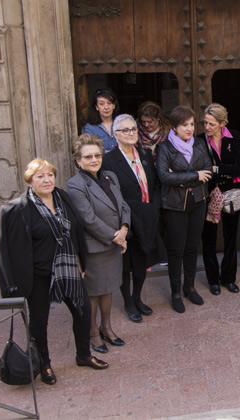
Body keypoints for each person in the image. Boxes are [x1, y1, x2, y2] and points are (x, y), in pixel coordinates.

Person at [0, 159, 109, 385]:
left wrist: (79, 263)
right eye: (40, 176)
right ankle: (45, 364)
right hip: (39, 275)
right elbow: (9, 250)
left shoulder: (62, 198)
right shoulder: (18, 209)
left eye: (50, 175)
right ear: (29, 181)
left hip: (68, 270)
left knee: (83, 312)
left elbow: (75, 232)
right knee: (39, 322)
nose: (47, 180)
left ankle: (83, 355)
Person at [67, 134, 131, 354]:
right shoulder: (75, 184)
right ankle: (92, 332)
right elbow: (87, 218)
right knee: (93, 293)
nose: (94, 159)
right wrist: (115, 236)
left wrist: (124, 228)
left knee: (108, 289)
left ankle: (106, 327)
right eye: (88, 156)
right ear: (78, 160)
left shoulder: (110, 176)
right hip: (94, 246)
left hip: (114, 243)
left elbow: (123, 206)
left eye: (97, 155)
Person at [102, 114, 165, 323]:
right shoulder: (109, 160)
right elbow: (111, 194)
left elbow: (155, 184)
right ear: (115, 134)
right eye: (125, 130)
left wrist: (153, 209)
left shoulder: (145, 154)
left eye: (133, 130)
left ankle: (137, 298)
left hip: (146, 217)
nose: (131, 134)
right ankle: (128, 302)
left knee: (142, 259)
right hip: (126, 219)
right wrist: (126, 216)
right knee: (126, 263)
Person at [156, 105, 213, 313]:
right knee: (176, 250)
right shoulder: (165, 148)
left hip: (198, 202)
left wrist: (180, 179)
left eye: (191, 124)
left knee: (191, 248)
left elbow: (207, 172)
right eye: (184, 125)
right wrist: (194, 176)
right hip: (174, 205)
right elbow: (164, 176)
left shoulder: (199, 144)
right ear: (175, 126)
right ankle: (176, 292)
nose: (189, 128)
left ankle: (189, 286)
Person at [199, 103, 240, 295]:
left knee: (230, 237)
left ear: (221, 123)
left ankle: (229, 278)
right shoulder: (199, 141)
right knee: (208, 238)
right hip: (209, 195)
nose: (206, 127)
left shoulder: (234, 137)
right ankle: (213, 280)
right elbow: (201, 168)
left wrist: (217, 169)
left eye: (211, 124)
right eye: (205, 123)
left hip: (231, 194)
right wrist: (225, 169)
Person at [83, 88, 119, 153]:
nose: (106, 107)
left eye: (109, 103)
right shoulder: (90, 127)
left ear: (114, 105)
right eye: (102, 104)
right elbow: (89, 150)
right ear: (96, 107)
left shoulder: (121, 124)